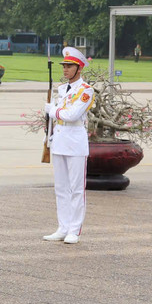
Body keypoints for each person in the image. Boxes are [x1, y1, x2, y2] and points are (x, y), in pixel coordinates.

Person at [45, 47, 93, 244]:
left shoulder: (86, 90)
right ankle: (63, 227)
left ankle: (74, 229)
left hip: (75, 142)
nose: (65, 69)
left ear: (79, 68)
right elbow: (59, 117)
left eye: (69, 66)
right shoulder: (62, 89)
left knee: (76, 189)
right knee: (61, 188)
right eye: (64, 66)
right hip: (59, 140)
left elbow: (72, 115)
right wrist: (48, 136)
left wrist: (52, 110)